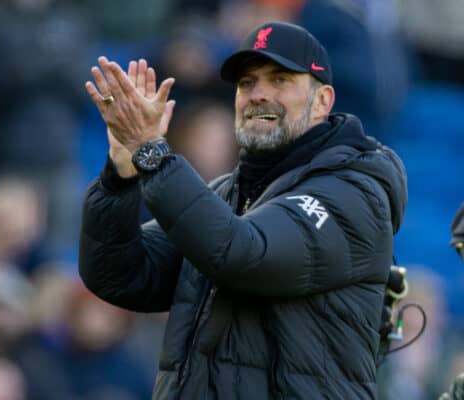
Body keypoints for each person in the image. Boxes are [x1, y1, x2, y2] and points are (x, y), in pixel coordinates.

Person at [79, 21, 407, 399]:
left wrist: (152, 152)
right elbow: (119, 274)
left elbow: (244, 253)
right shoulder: (226, 192)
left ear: (322, 101)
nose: (258, 94)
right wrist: (121, 173)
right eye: (247, 83)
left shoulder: (353, 191)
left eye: (280, 80)